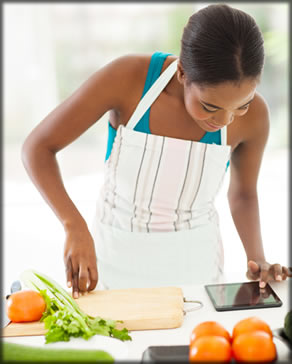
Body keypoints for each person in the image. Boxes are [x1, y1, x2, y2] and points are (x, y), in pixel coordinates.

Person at [22, 4, 291, 297]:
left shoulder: (255, 117)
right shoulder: (127, 79)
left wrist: (258, 259)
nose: (225, 120)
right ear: (182, 73)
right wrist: (73, 224)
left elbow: (243, 194)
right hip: (114, 262)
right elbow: (38, 148)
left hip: (197, 271)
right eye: (209, 107)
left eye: (242, 104)